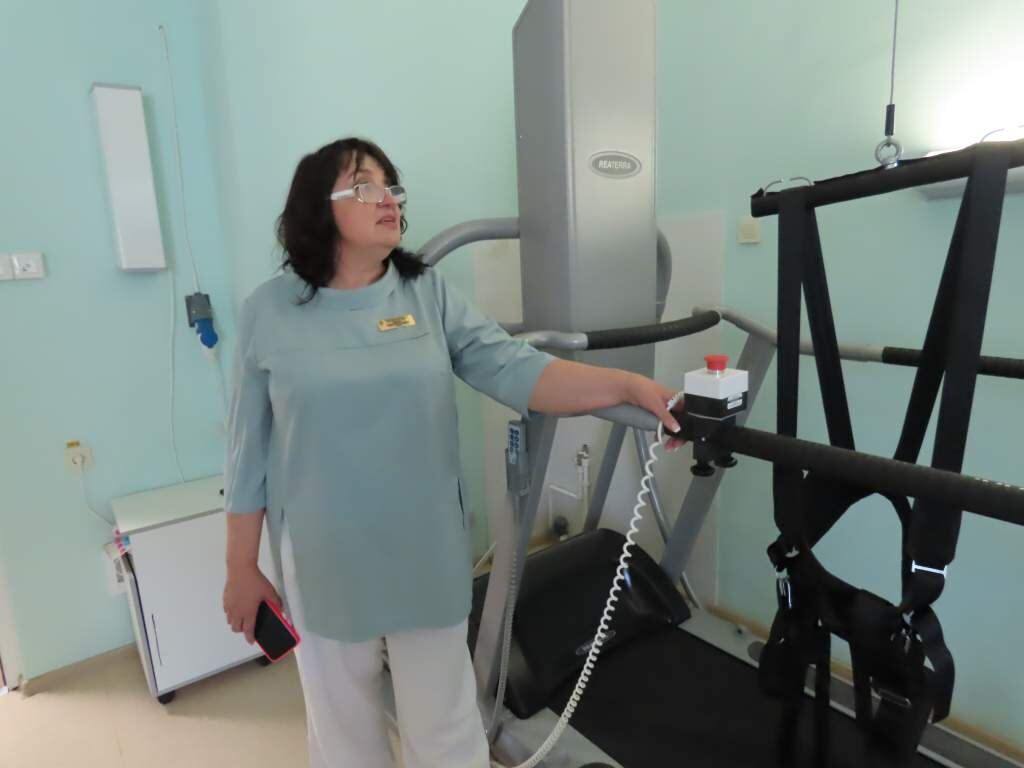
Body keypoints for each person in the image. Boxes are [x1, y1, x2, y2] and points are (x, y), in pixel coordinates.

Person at [222, 137, 682, 768]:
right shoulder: (268, 312)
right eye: (366, 185)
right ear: (316, 205)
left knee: (446, 733)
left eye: (392, 186)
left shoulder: (426, 295)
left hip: (424, 549)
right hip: (324, 558)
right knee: (342, 735)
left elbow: (520, 369)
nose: (388, 199)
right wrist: (240, 567)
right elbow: (246, 455)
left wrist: (626, 386)